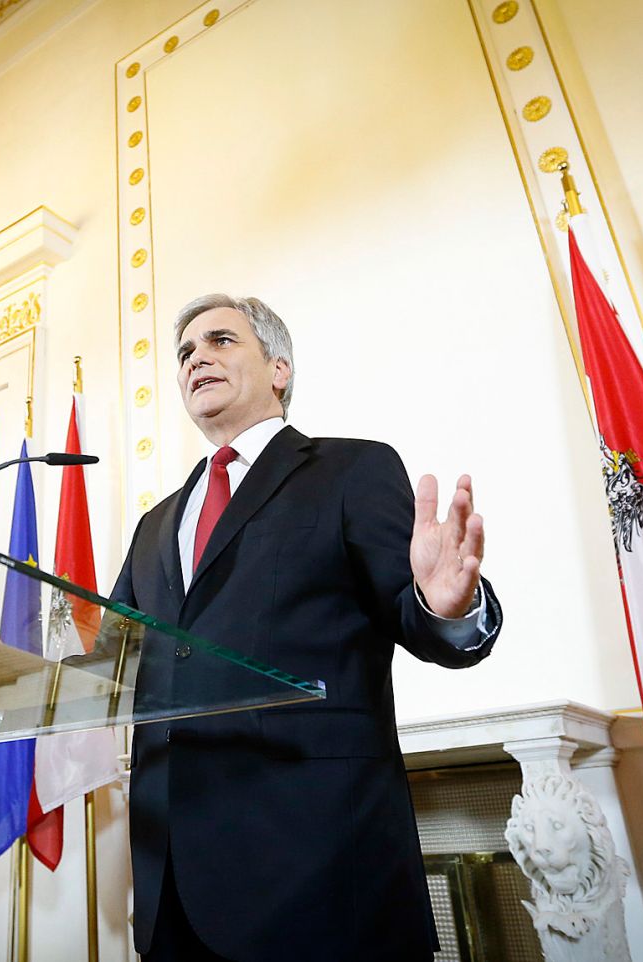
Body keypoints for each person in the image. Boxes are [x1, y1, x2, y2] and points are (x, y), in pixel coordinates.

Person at [108, 293, 503, 961]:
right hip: (172, 878)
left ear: (280, 369)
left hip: (317, 872)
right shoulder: (156, 525)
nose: (196, 358)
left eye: (221, 341)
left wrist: (446, 605)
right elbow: (113, 661)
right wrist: (23, 663)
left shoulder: (352, 469)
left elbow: (416, 617)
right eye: (185, 353)